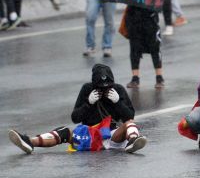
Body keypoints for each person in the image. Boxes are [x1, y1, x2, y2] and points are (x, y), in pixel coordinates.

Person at [8, 64, 147, 154]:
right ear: (94, 85)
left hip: (111, 135)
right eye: (101, 88)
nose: (104, 90)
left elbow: (130, 116)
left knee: (129, 124)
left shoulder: (118, 90)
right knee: (64, 132)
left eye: (107, 86)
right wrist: (89, 102)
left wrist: (118, 102)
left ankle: (133, 141)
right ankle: (29, 142)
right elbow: (75, 118)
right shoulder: (87, 89)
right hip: (89, 136)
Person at [124, 0, 164, 89]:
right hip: (134, 17)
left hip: (150, 17)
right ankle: (135, 78)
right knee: (134, 48)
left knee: (154, 47)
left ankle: (159, 77)